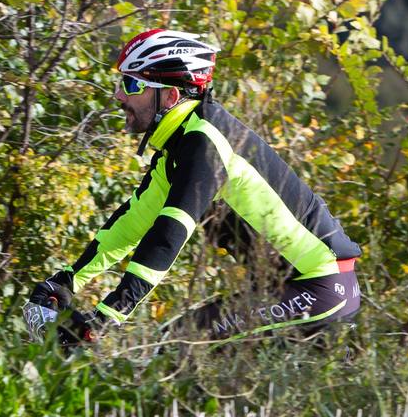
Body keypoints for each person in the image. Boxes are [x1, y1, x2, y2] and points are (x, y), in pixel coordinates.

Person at [24, 29, 363, 351]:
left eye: (130, 84)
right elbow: (130, 225)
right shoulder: (179, 146)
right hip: (298, 286)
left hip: (320, 286)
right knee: (175, 349)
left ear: (169, 96)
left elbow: (168, 235)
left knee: (176, 350)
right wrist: (67, 280)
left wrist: (108, 316)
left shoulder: (205, 143)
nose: (118, 95)